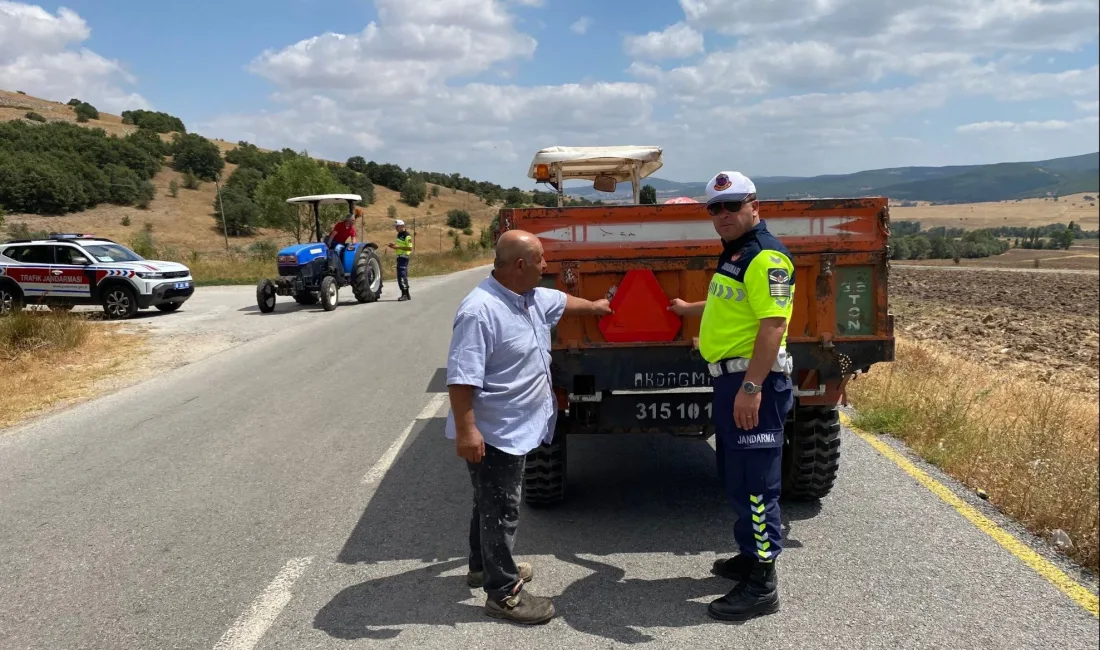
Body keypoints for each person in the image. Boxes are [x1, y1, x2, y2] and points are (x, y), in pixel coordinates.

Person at [444, 229, 612, 625]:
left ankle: (482, 566)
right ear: (520, 265)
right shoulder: (480, 311)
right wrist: (467, 430)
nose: (547, 266)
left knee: (487, 501)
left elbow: (564, 301)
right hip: (496, 429)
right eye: (541, 260)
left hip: (515, 425)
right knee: (501, 508)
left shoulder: (530, 297)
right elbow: (461, 378)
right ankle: (503, 592)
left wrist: (596, 306)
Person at [668, 171, 796, 622]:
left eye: (732, 205)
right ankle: (750, 555)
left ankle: (762, 584)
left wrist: (752, 387)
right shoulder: (737, 253)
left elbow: (773, 325)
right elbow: (734, 304)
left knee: (757, 486)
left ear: (754, 205)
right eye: (715, 208)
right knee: (738, 478)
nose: (723, 214)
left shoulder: (766, 257)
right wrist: (691, 311)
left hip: (753, 383)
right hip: (732, 380)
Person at [325, 210, 358, 281]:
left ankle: (337, 267)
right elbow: (333, 235)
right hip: (332, 240)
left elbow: (353, 238)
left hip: (340, 243)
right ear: (348, 220)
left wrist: (353, 243)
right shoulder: (340, 225)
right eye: (352, 220)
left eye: (354, 220)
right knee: (325, 250)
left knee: (338, 248)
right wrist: (328, 244)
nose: (354, 221)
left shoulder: (352, 229)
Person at [387, 220, 413, 301]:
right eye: (395, 226)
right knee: (400, 276)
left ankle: (405, 294)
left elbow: (409, 248)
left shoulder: (407, 235)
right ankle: (407, 294)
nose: (396, 228)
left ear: (402, 226)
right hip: (399, 257)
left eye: (397, 226)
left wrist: (398, 247)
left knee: (402, 275)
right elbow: (399, 246)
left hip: (404, 257)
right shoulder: (399, 234)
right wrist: (393, 246)